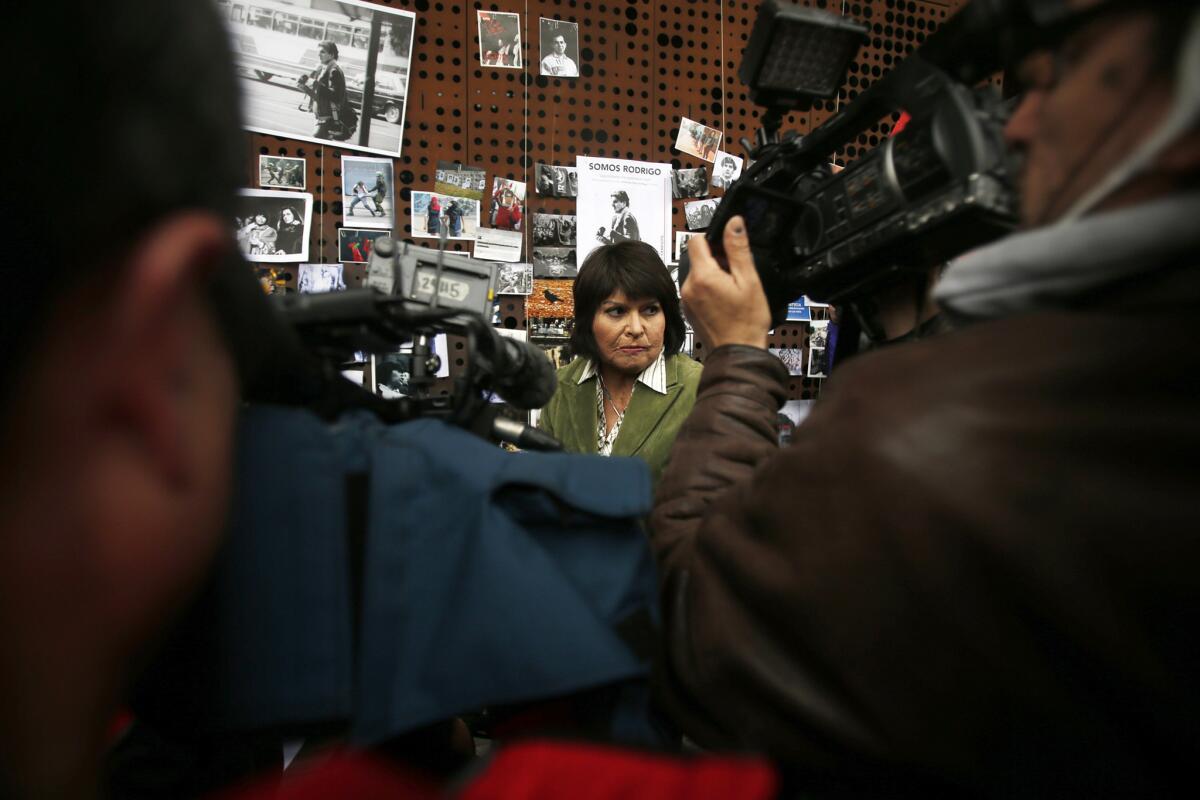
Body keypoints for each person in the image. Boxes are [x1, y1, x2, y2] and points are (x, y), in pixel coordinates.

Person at [651, 1, 1200, 794]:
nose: (1018, 127)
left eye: (1061, 77)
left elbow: (697, 635)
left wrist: (737, 354)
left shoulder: (927, 432)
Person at [538, 242, 700, 485]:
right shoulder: (560, 388)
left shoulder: (701, 389)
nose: (635, 329)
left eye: (650, 310)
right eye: (616, 312)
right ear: (588, 319)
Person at [306, 40, 347, 139]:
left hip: (328, 120)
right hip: (321, 119)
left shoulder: (334, 71)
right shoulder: (323, 69)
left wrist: (317, 86)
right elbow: (318, 95)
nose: (319, 55)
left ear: (332, 55)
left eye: (322, 52)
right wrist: (304, 87)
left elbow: (337, 96)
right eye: (319, 52)